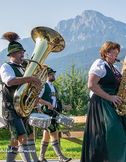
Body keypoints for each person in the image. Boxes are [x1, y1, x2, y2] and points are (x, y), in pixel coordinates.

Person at [80, 41, 126, 162]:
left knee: (117, 137)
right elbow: (91, 85)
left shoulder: (115, 68)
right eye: (114, 53)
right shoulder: (99, 64)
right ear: (106, 53)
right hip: (101, 103)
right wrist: (109, 97)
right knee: (103, 138)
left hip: (112, 104)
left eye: (117, 53)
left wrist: (123, 85)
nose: (117, 56)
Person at [0, 32, 42, 162]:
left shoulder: (24, 68)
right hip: (10, 107)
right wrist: (30, 78)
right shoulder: (6, 66)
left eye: (23, 52)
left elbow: (28, 88)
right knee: (23, 137)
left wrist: (36, 98)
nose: (23, 55)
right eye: (20, 52)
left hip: (22, 107)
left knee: (15, 140)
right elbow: (10, 81)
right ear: (12, 54)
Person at [38, 67, 72, 162]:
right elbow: (37, 98)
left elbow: (56, 103)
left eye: (53, 74)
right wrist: (47, 103)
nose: (53, 75)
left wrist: (66, 107)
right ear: (46, 76)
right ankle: (60, 157)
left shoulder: (54, 87)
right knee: (53, 132)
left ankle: (41, 157)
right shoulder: (44, 85)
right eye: (51, 74)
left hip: (53, 113)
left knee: (46, 135)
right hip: (46, 113)